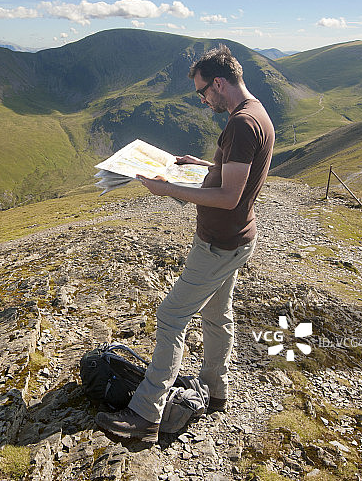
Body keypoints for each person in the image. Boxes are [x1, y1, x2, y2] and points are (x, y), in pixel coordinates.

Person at [94, 44, 275, 443]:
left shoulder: (243, 124)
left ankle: (146, 414)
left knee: (171, 317)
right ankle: (215, 391)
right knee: (217, 314)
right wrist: (203, 166)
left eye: (203, 91)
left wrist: (168, 188)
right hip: (236, 237)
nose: (202, 99)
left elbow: (229, 196)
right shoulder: (255, 113)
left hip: (219, 243)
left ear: (220, 82)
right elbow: (238, 176)